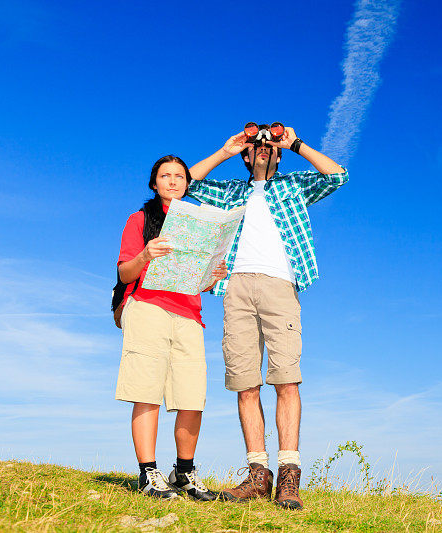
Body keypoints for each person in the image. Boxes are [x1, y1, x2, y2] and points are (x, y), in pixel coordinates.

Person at [187, 124, 348, 510]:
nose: (261, 149)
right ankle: (258, 475)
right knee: (245, 382)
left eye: (267, 146)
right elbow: (187, 185)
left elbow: (338, 175)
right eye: (255, 147)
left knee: (286, 379)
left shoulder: (293, 186)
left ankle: (289, 475)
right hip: (235, 288)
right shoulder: (230, 192)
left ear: (276, 153)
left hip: (281, 285)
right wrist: (226, 150)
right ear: (246, 155)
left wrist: (294, 143)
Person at [115, 154, 227, 500]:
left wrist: (213, 277)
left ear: (187, 183)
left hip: (189, 313)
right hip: (147, 305)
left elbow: (198, 280)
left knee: (192, 395)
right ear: (155, 183)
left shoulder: (201, 223)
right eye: (166, 175)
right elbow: (125, 273)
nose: (174, 181)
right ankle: (148, 474)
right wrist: (146, 255)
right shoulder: (141, 219)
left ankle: (184, 472)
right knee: (146, 390)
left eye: (180, 176)